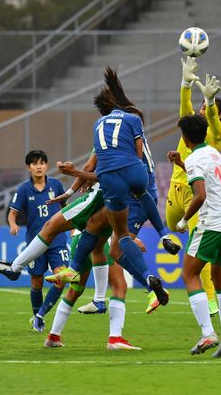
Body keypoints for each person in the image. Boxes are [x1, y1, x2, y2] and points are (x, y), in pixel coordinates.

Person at [47, 68, 171, 315]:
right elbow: (94, 168)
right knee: (113, 247)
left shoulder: (111, 138)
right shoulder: (130, 124)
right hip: (142, 187)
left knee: (110, 241)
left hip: (135, 191)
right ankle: (147, 283)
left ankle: (145, 286)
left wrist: (75, 178)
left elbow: (96, 172)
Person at [166, 56, 221, 316]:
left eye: (207, 110)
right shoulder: (191, 126)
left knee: (198, 254)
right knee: (172, 226)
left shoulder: (215, 135)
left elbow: (214, 123)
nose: (200, 111)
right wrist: (185, 82)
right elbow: (185, 105)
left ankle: (210, 302)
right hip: (175, 188)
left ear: (216, 115)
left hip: (197, 197)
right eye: (201, 107)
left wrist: (209, 102)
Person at [169, 114, 221, 357]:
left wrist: (183, 219)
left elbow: (200, 195)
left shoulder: (195, 159)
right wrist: (181, 163)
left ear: (185, 137)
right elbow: (205, 178)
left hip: (213, 222)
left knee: (189, 274)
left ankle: (208, 333)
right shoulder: (213, 152)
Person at [6, 150, 70, 332]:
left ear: (46, 166)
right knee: (36, 282)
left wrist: (73, 228)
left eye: (42, 162)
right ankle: (37, 317)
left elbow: (67, 209)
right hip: (36, 243)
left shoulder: (57, 185)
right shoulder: (24, 189)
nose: (39, 166)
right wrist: (13, 224)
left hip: (57, 240)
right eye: (34, 163)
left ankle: (40, 315)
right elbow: (13, 213)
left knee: (62, 277)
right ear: (29, 168)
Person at [44, 229, 138, 350]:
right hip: (99, 240)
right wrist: (130, 239)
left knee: (74, 290)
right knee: (119, 286)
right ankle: (115, 338)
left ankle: (53, 336)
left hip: (78, 239)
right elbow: (111, 217)